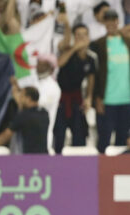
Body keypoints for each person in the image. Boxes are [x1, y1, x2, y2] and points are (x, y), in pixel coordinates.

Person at [92, 9, 130, 153]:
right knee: (104, 139)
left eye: (114, 19)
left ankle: (121, 171)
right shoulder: (98, 44)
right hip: (107, 99)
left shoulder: (129, 42)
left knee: (123, 140)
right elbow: (95, 74)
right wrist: (97, 97)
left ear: (118, 21)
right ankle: (100, 173)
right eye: (108, 20)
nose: (111, 23)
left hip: (127, 98)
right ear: (104, 22)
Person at [54, 23, 96, 154]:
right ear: (74, 37)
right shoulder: (67, 50)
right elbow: (59, 63)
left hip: (77, 99)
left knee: (80, 134)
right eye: (78, 35)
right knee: (59, 135)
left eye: (85, 35)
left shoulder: (91, 58)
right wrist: (74, 48)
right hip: (61, 99)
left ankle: (79, 166)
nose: (82, 38)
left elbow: (91, 79)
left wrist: (89, 98)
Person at [0, 81, 49, 154]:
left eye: (21, 97)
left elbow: (5, 136)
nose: (19, 99)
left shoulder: (23, 116)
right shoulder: (44, 113)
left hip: (28, 159)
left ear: (28, 98)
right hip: (44, 157)